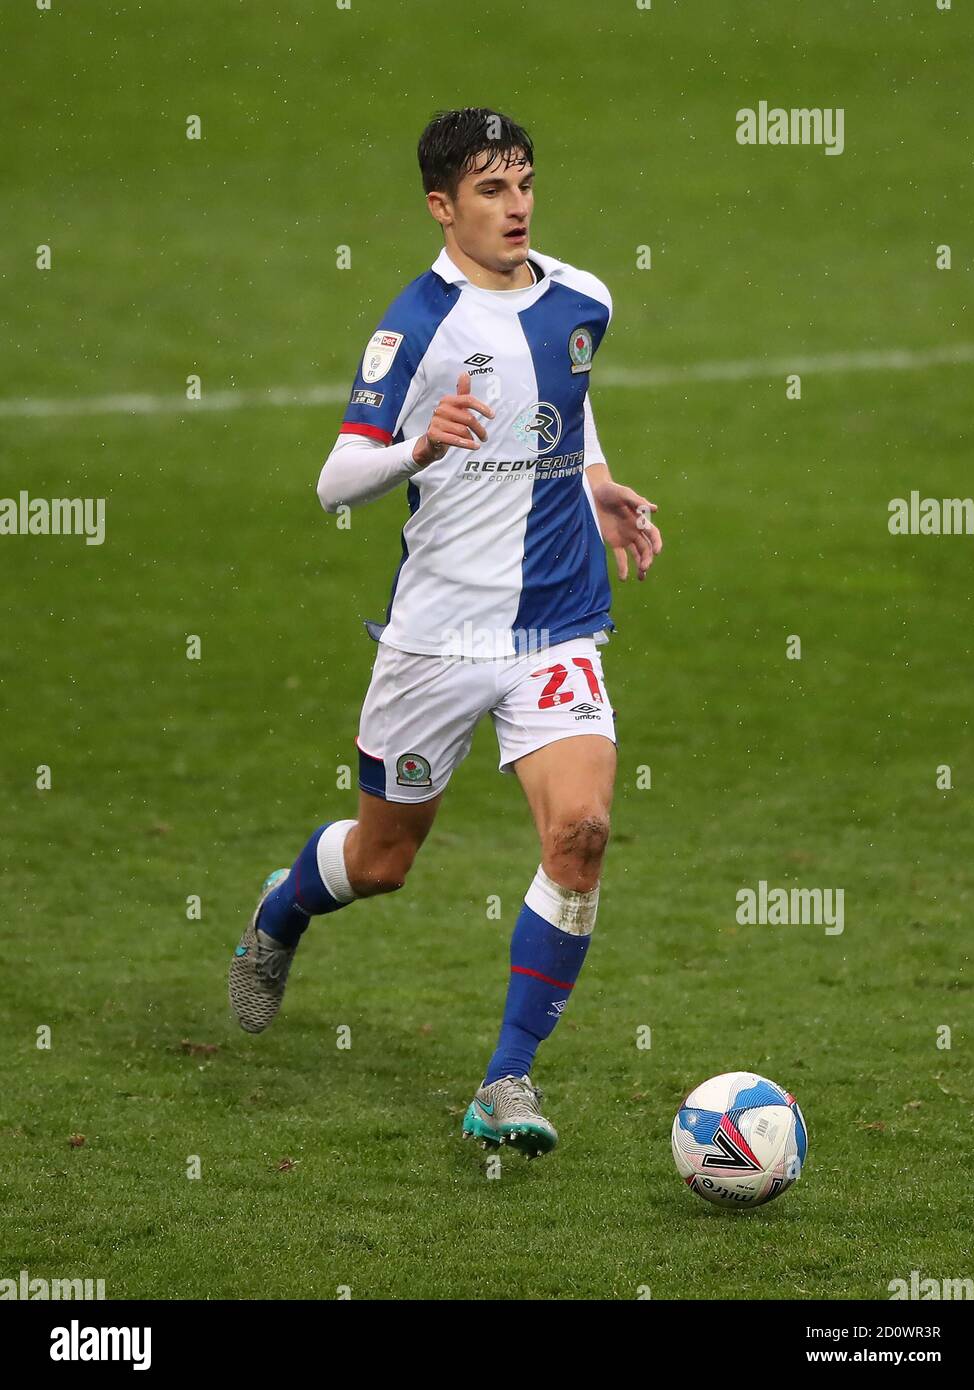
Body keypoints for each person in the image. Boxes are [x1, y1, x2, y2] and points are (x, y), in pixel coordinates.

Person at [228, 107, 662, 1158]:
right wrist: (420, 446)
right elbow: (335, 481)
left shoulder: (582, 297)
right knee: (381, 862)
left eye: (522, 185)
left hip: (552, 623)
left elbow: (570, 396)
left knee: (581, 835)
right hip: (435, 639)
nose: (515, 207)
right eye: (489, 191)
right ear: (441, 205)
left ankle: (506, 1078)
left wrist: (595, 486)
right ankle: (281, 912)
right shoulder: (414, 326)